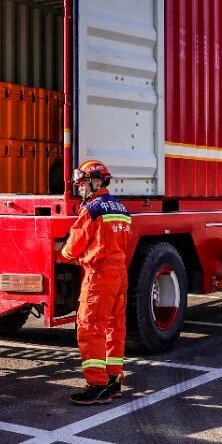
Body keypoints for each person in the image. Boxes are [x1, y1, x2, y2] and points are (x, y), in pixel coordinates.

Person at [58, 160, 132, 405]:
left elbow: (74, 245)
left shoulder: (92, 209)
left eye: (83, 184)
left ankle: (97, 386)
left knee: (90, 327)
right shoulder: (122, 209)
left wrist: (63, 255)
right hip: (119, 274)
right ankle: (113, 380)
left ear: (95, 182)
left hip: (99, 276)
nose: (81, 189)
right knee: (114, 327)